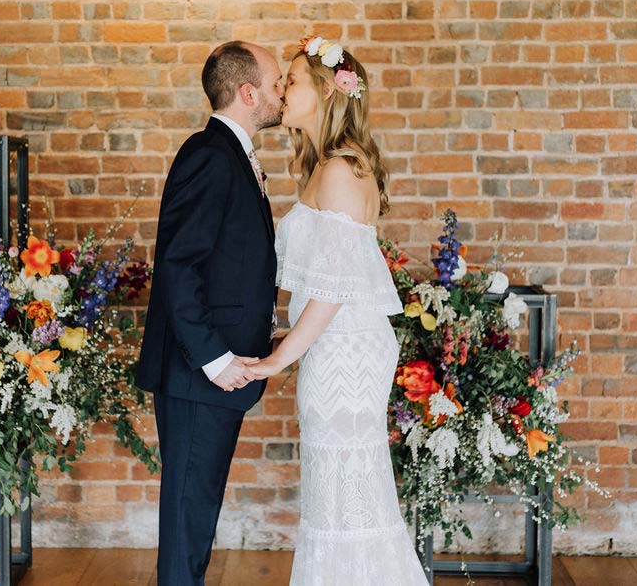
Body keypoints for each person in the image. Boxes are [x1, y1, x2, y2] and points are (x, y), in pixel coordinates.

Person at [249, 36, 428, 585]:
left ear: (328, 93)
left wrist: (279, 358)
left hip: (343, 350)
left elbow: (329, 289)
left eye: (293, 82)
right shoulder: (326, 168)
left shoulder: (341, 172)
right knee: (337, 495)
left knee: (348, 500)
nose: (281, 91)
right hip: (333, 345)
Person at [136, 40, 286, 585]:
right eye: (275, 85)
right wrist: (215, 358)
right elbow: (178, 265)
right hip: (201, 374)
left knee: (197, 516)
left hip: (214, 373)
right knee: (187, 518)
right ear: (248, 93)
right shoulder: (208, 154)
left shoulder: (231, 157)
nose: (281, 93)